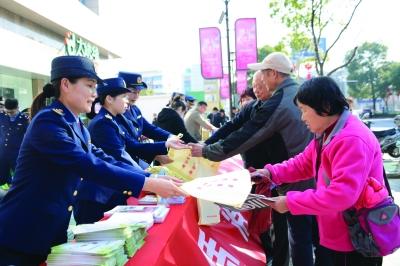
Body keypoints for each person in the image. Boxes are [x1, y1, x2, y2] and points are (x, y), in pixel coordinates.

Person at [0, 56, 186, 264]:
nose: (94, 94)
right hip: (22, 234)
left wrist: (150, 177)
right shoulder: (48, 122)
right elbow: (87, 165)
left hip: (49, 232)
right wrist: (149, 183)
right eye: (89, 86)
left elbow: (104, 158)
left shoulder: (75, 124)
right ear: (65, 84)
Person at [190, 53, 319, 266]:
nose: (259, 87)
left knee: (300, 235)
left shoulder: (280, 101)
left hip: (297, 174)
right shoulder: (296, 92)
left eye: (263, 78)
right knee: (308, 233)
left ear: (274, 74)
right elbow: (233, 127)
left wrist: (207, 151)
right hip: (301, 169)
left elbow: (246, 135)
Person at [250, 76, 384, 266]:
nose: (302, 117)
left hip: (358, 240)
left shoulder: (351, 139)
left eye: (304, 110)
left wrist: (289, 202)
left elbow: (341, 195)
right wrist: (270, 173)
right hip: (340, 233)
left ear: (325, 107)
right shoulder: (328, 133)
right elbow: (303, 163)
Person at [75, 77, 188, 224]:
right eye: (123, 97)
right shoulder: (102, 123)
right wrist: (150, 179)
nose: (127, 100)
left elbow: (128, 148)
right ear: (109, 99)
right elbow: (118, 158)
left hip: (113, 190)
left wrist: (151, 176)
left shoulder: (111, 120)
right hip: (98, 197)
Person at [118, 71, 178, 167]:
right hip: (124, 165)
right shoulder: (116, 114)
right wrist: (164, 146)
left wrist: (170, 136)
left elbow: (149, 128)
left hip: (135, 161)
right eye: (133, 91)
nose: (136, 96)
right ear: (121, 91)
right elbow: (130, 146)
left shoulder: (134, 109)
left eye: (139, 92)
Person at [0, 98, 29, 186]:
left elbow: (28, 136)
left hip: (16, 153)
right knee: (2, 177)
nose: (9, 114)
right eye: (7, 112)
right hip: (2, 152)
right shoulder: (2, 116)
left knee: (19, 178)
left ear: (18, 108)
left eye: (12, 112)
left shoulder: (24, 119)